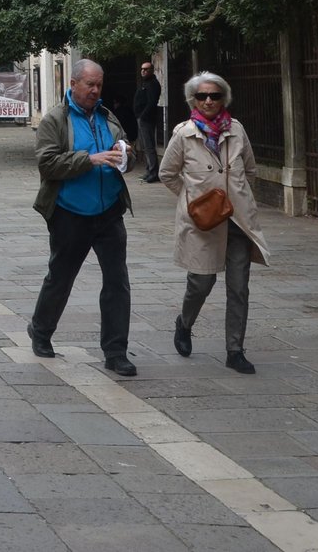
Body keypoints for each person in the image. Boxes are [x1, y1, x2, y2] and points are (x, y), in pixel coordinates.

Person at [27, 59, 136, 376]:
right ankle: (41, 330)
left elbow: (127, 150)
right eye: (90, 84)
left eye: (99, 84)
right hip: (70, 213)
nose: (95, 90)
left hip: (110, 211)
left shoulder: (107, 115)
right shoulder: (55, 120)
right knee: (61, 277)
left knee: (118, 282)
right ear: (73, 83)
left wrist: (125, 154)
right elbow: (48, 164)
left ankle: (116, 352)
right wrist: (90, 159)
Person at [160, 71, 270, 374]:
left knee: (239, 287)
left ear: (224, 98)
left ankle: (235, 350)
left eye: (215, 95)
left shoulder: (236, 130)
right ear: (193, 100)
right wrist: (191, 201)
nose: (209, 101)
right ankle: (184, 323)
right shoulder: (184, 134)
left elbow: (250, 170)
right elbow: (167, 173)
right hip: (202, 223)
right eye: (202, 96)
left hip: (237, 221)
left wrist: (240, 197)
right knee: (201, 283)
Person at [134, 60, 165, 184]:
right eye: (142, 69)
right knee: (146, 146)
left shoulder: (153, 84)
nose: (143, 71)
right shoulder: (145, 83)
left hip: (147, 119)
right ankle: (149, 170)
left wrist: (142, 116)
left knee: (149, 145)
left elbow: (152, 103)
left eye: (146, 69)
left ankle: (153, 172)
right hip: (142, 118)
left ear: (151, 71)